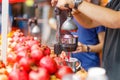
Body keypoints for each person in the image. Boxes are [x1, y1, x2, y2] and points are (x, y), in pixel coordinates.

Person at [51, 0, 120, 80]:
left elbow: (116, 20)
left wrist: (75, 2)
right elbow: (89, 22)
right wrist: (73, 9)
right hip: (109, 69)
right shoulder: (113, 3)